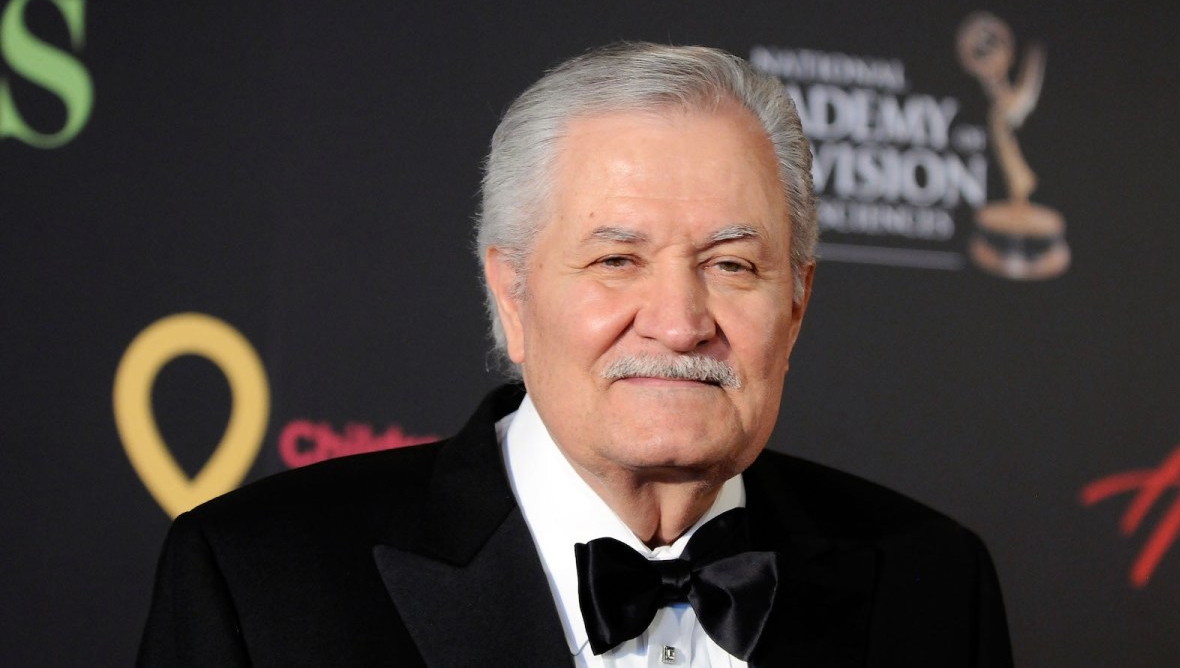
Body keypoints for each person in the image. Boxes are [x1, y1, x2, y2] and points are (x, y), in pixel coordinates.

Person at [138, 42, 1012, 667]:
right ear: (513, 294)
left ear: (796, 303)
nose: (678, 322)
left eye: (733, 265)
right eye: (616, 260)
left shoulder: (933, 582)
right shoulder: (259, 583)